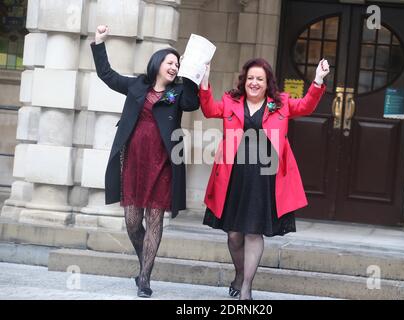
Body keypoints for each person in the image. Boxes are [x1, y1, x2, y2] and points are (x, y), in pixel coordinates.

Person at [199, 58, 329, 299]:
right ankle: (239, 274)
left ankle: (247, 286)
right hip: (235, 175)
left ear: (268, 82)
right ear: (244, 81)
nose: (254, 83)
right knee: (234, 234)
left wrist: (318, 80)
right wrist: (204, 81)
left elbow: (307, 106)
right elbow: (209, 109)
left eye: (260, 79)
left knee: (253, 232)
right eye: (250, 78)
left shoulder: (281, 104)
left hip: (265, 176)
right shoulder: (231, 101)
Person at [91, 25, 199, 298]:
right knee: (131, 221)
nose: (174, 67)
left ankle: (145, 279)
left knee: (154, 219)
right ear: (158, 63)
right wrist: (99, 43)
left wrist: (191, 75)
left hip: (162, 162)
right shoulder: (137, 85)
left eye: (177, 64)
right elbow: (107, 75)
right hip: (135, 161)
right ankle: (144, 262)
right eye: (170, 62)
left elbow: (192, 103)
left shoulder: (178, 92)